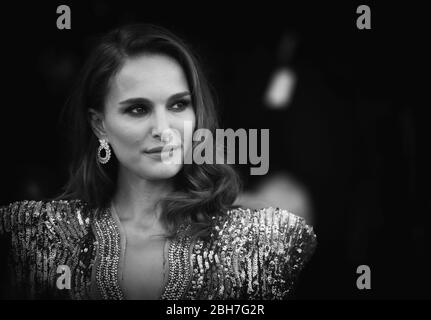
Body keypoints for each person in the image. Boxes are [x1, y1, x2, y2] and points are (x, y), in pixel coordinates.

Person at [0, 23, 316, 300]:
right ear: (99, 124)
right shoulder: (39, 238)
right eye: (138, 109)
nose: (164, 131)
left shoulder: (257, 243)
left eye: (178, 104)